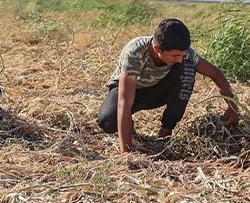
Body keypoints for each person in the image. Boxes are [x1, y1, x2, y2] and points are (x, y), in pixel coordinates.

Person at [97, 18, 239, 153]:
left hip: (158, 90)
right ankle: (129, 127)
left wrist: (233, 106)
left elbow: (215, 73)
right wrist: (126, 153)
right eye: (174, 56)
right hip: (130, 91)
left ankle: (165, 134)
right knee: (108, 122)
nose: (179, 59)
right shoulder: (136, 52)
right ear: (158, 48)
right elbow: (124, 102)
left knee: (188, 70)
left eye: (182, 54)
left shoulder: (183, 53)